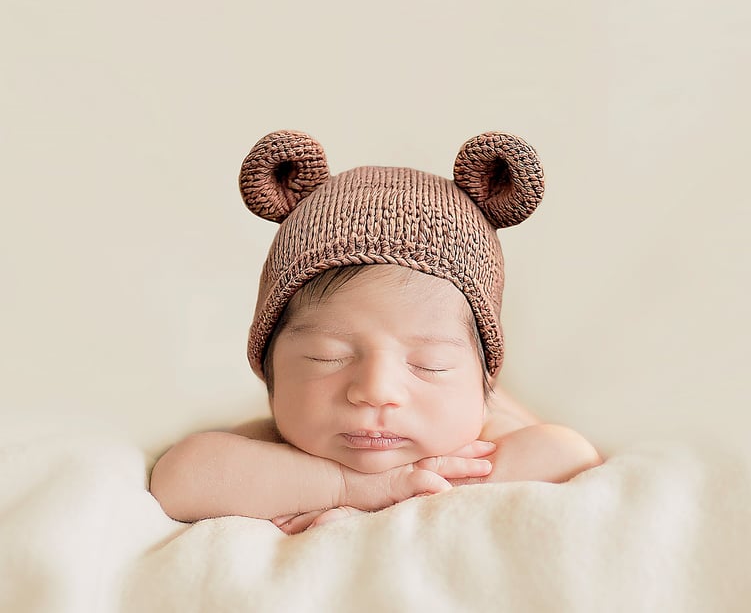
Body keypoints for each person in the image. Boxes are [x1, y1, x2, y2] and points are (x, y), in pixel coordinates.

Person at [149, 130, 603, 534]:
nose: (375, 391)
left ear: (482, 380)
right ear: (269, 371)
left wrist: (410, 488)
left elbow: (567, 454)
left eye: (431, 365)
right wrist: (355, 486)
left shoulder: (484, 440)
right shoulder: (279, 440)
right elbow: (180, 478)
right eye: (326, 357)